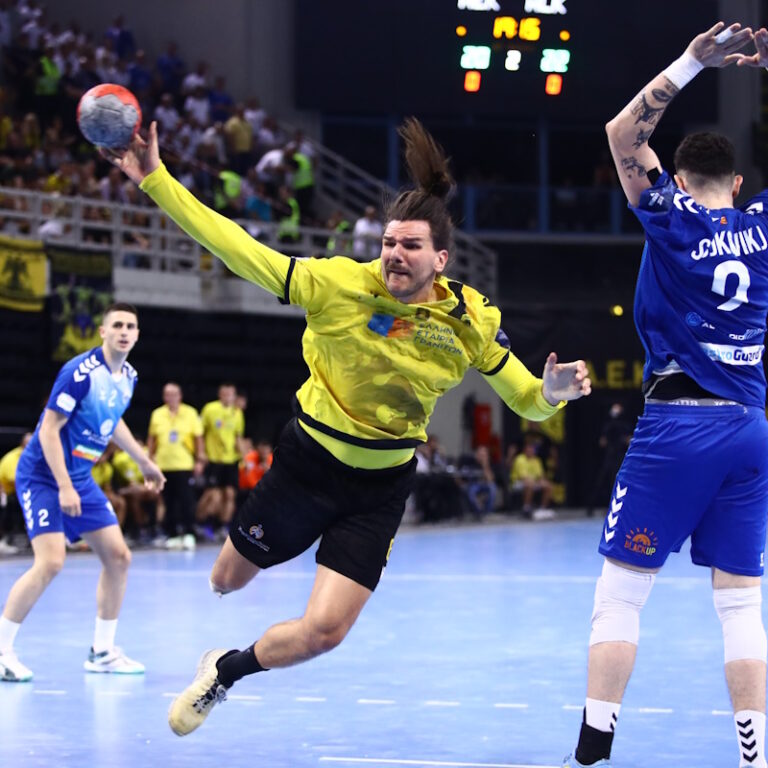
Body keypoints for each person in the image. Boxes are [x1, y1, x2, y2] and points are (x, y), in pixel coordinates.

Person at [104, 116, 591, 737]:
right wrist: (156, 180)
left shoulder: (470, 319)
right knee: (225, 580)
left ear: (440, 259)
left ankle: (224, 671)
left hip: (380, 488)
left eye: (411, 246)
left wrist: (551, 395)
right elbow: (236, 247)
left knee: (325, 632)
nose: (395, 253)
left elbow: (525, 398)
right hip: (308, 466)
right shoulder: (336, 284)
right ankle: (250, 579)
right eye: (389, 242)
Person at [562, 23, 768, 768]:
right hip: (750, 426)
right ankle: (755, 758)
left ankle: (592, 750)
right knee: (740, 601)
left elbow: (623, 134)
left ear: (679, 181)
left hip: (678, 423)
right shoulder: (762, 227)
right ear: (737, 186)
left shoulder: (672, 217)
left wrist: (691, 62)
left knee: (621, 595)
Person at [0, 303, 165, 682]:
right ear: (103, 332)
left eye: (131, 326)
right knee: (51, 562)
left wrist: (143, 461)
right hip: (43, 475)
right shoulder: (79, 373)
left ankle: (102, 653)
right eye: (117, 325)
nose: (124, 331)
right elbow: (48, 430)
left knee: (119, 557)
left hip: (80, 477)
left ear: (137, 335)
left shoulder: (128, 376)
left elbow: (113, 420)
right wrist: (62, 486)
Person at [147, 382, 205, 550]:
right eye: (167, 394)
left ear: (180, 396)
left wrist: (200, 460)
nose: (171, 397)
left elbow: (198, 439)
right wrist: (150, 460)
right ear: (164, 396)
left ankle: (189, 533)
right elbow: (152, 439)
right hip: (163, 464)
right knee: (168, 501)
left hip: (184, 464)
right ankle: (172, 534)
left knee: (187, 500)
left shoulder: (190, 413)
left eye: (174, 394)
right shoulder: (157, 414)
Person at [197, 383, 245, 537]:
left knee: (230, 494)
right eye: (225, 394)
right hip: (214, 460)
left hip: (231, 460)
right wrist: (201, 453)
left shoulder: (237, 413)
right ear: (220, 395)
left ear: (234, 396)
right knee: (212, 495)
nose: (227, 397)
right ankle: (199, 522)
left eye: (230, 394)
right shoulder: (210, 409)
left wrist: (244, 456)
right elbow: (200, 433)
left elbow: (237, 437)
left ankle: (223, 526)